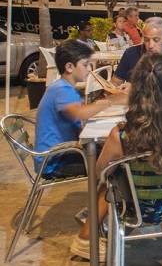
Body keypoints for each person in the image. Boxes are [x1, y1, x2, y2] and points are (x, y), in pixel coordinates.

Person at [71, 53, 162, 266]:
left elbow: (100, 173)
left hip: (140, 206)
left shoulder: (122, 134)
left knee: (115, 180)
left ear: (136, 87)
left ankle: (88, 236)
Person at [35, 41, 123, 180]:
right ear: (69, 67)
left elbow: (82, 114)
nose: (89, 69)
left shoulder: (64, 88)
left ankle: (105, 197)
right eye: (85, 64)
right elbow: (80, 113)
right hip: (55, 161)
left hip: (64, 154)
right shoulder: (61, 90)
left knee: (111, 153)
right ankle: (102, 199)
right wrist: (110, 101)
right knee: (116, 162)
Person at [112, 17, 162, 86]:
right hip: (134, 100)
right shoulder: (131, 53)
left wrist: (134, 88)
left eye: (156, 40)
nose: (150, 45)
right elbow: (115, 82)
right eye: (146, 40)